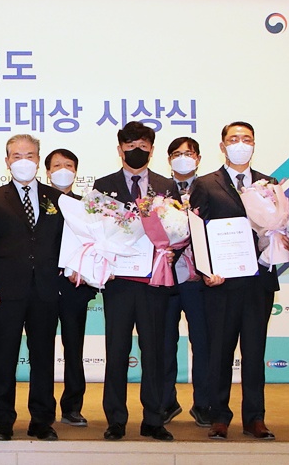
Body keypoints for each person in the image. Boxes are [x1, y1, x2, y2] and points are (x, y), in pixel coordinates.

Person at [187, 121, 281, 441]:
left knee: (254, 353)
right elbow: (196, 231)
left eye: (247, 139)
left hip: (258, 283)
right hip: (221, 283)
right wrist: (205, 270)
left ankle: (255, 418)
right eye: (234, 139)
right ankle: (219, 416)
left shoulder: (269, 184)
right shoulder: (205, 183)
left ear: (254, 144)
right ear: (222, 146)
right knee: (220, 352)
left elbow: (277, 230)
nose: (241, 143)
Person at [91, 122, 179, 441]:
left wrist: (172, 250)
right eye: (130, 145)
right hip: (118, 282)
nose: (136, 150)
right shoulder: (103, 186)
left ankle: (154, 418)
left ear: (152, 150)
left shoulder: (166, 186)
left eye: (142, 145)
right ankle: (116, 419)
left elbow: (178, 229)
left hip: (154, 281)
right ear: (120, 149)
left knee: (154, 351)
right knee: (116, 351)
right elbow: (93, 231)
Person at [0, 134, 65, 441]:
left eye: (29, 156)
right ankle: (3, 420)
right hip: (5, 290)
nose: (23, 161)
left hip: (45, 289)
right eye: (16, 156)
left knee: (43, 357)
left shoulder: (55, 198)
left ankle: (42, 420)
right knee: (3, 357)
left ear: (38, 160)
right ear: (7, 161)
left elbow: (65, 242)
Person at [161, 136, 213, 427]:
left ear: (199, 158)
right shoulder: (159, 190)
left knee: (203, 343)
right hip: (166, 278)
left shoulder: (211, 188)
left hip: (200, 279)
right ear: (169, 159)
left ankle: (203, 403)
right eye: (177, 154)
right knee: (164, 343)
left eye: (189, 153)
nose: (184, 158)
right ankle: (166, 402)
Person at [44, 148, 98, 428]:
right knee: (41, 348)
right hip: (41, 287)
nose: (63, 170)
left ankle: (72, 406)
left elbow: (97, 244)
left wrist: (86, 271)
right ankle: (43, 407)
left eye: (68, 165)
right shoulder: (38, 202)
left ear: (76, 172)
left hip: (75, 287)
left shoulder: (86, 206)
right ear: (47, 172)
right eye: (57, 166)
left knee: (74, 348)